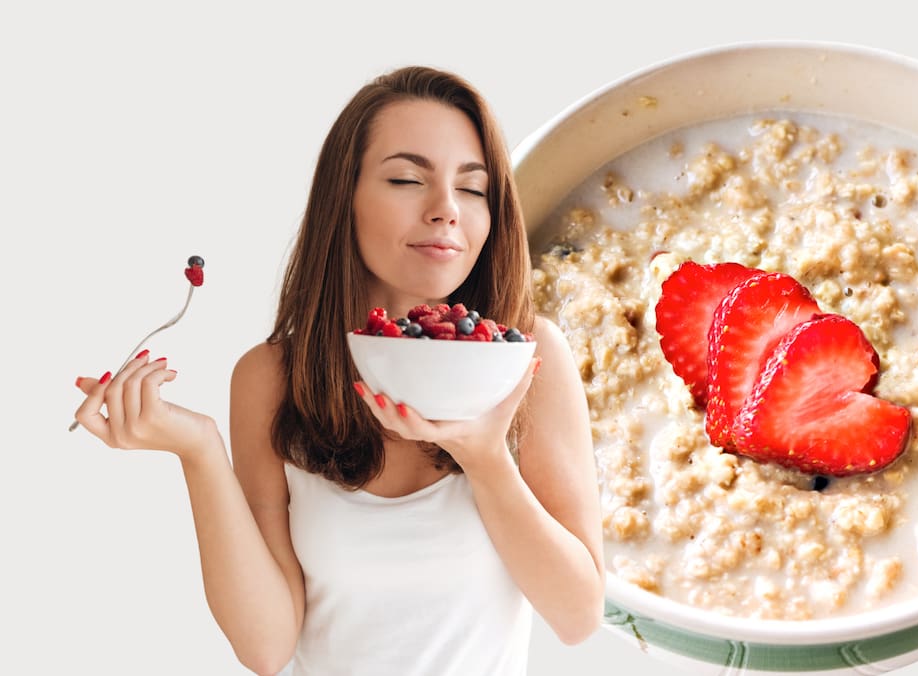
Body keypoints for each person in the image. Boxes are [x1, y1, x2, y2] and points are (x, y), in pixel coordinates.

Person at [72, 66, 604, 676]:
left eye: (474, 189)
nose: (446, 211)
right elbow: (266, 648)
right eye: (407, 178)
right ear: (343, 198)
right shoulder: (271, 377)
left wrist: (486, 460)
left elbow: (577, 617)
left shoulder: (528, 357)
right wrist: (199, 452)